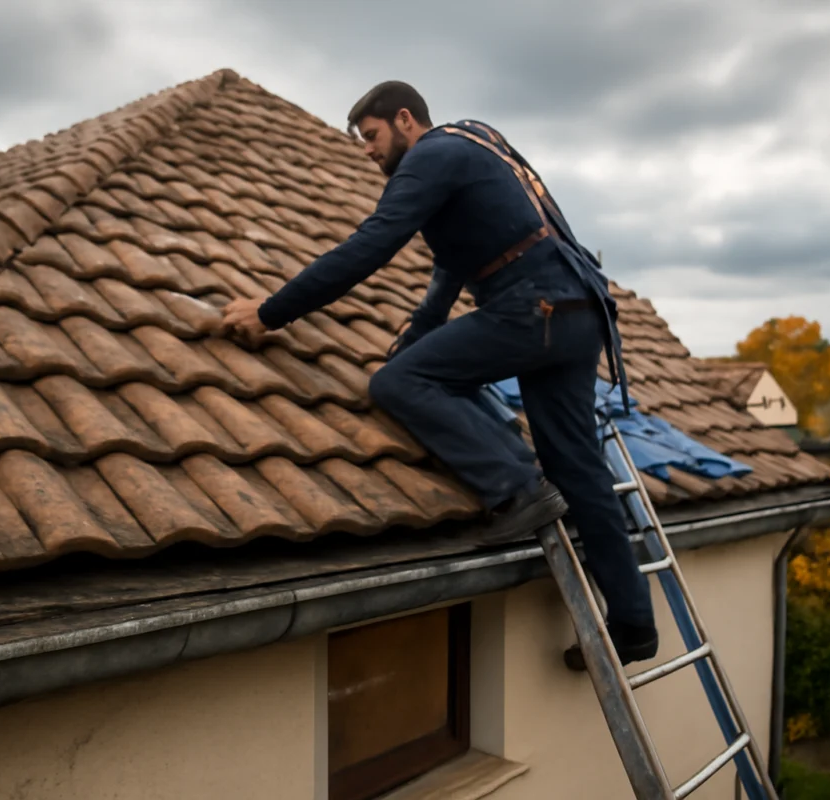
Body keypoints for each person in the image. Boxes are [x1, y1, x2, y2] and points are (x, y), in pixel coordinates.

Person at [219, 81, 657, 669]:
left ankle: (517, 489)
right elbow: (454, 260)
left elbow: (371, 246)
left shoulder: (430, 156)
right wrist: (421, 329)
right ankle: (634, 627)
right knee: (581, 470)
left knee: (398, 383)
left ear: (405, 119)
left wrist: (271, 312)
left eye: (372, 137)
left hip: (534, 307)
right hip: (577, 313)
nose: (368, 152)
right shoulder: (475, 141)